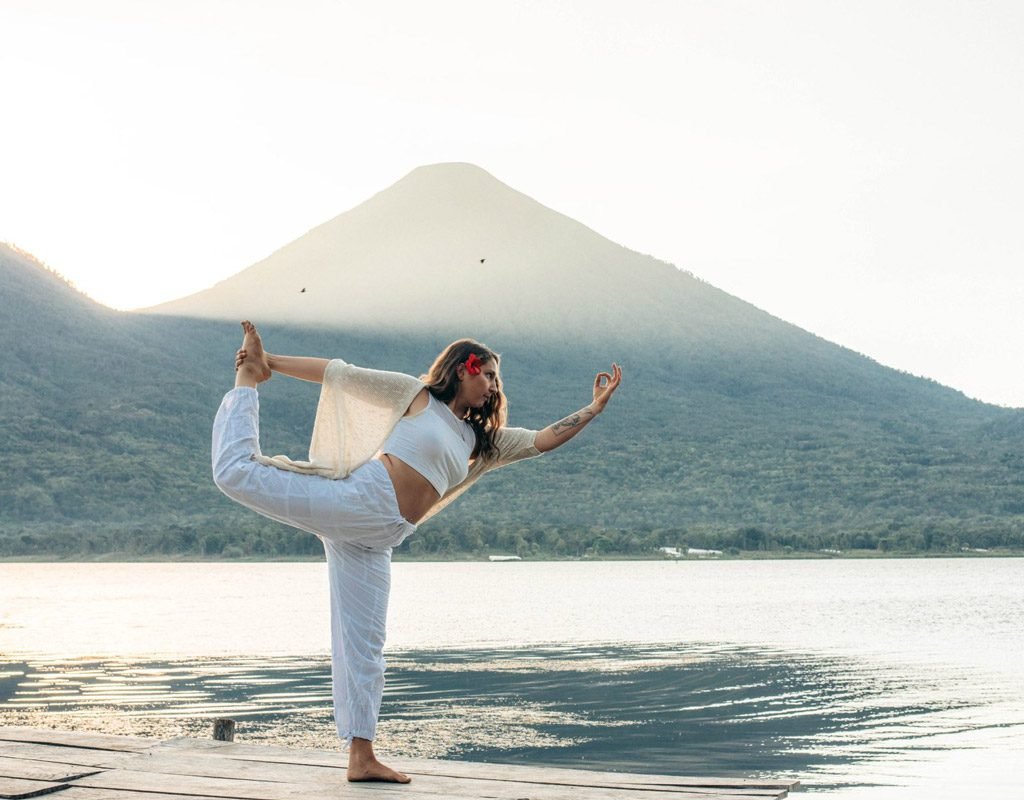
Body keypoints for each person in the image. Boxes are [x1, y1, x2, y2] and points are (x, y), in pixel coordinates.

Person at [212, 321, 622, 783]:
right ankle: (246, 385)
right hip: (362, 500)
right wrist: (267, 365)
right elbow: (339, 373)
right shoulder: (416, 397)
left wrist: (593, 408)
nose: (492, 385)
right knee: (236, 473)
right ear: (461, 370)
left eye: (496, 379)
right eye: (486, 374)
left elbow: (542, 439)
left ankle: (361, 756)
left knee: (365, 648)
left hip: (381, 535)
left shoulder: (480, 444)